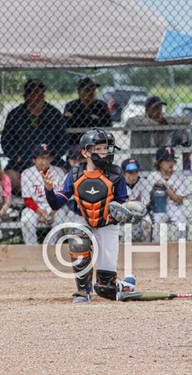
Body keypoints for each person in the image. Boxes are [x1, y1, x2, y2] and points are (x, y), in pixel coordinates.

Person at [43, 129, 137, 302]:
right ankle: (83, 291)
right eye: (99, 149)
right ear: (86, 152)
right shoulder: (76, 173)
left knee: (105, 290)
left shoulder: (115, 173)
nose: (105, 153)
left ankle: (124, 285)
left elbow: (122, 204)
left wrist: (126, 213)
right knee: (77, 237)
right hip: (85, 220)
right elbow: (56, 203)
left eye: (106, 149)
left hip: (108, 225)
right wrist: (49, 190)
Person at [0, 79, 69, 193]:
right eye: (34, 93)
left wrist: (53, 156)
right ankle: (28, 197)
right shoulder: (15, 114)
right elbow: (6, 141)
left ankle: (54, 197)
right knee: (9, 177)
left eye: (41, 93)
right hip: (23, 160)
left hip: (49, 159)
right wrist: (16, 156)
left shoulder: (54, 113)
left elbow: (63, 140)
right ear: (26, 96)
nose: (39, 96)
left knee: (66, 172)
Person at [19, 143, 75, 244]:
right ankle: (31, 247)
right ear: (34, 160)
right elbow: (27, 199)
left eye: (46, 158)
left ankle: (51, 247)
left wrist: (53, 211)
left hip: (55, 206)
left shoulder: (58, 172)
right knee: (26, 219)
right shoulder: (26, 174)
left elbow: (62, 196)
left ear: (50, 159)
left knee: (61, 218)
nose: (43, 161)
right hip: (35, 207)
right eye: (40, 158)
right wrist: (40, 211)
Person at [125, 95, 190, 169]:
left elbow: (187, 119)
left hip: (160, 168)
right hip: (142, 166)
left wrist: (165, 121)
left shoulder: (165, 121)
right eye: (155, 108)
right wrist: (156, 123)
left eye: (160, 107)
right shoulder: (140, 120)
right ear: (147, 110)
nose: (159, 110)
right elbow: (129, 121)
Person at [148, 146, 186, 242]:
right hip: (159, 207)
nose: (170, 163)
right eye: (166, 161)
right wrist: (154, 190)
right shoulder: (153, 176)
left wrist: (166, 189)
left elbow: (180, 200)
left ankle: (181, 249)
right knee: (159, 223)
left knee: (182, 222)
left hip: (174, 206)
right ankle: (157, 249)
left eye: (172, 160)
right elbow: (149, 202)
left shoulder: (179, 175)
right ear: (159, 163)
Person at [63, 77, 112, 145]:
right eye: (88, 90)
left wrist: (76, 117)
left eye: (94, 90)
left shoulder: (101, 105)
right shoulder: (71, 106)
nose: (91, 93)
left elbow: (108, 124)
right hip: (76, 143)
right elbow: (67, 123)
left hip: (97, 143)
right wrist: (93, 119)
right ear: (79, 92)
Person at [122, 158, 152, 242]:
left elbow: (146, 204)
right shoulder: (119, 184)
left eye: (136, 172)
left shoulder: (143, 182)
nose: (134, 175)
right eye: (130, 172)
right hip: (124, 214)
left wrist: (137, 216)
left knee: (147, 222)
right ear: (124, 174)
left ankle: (146, 246)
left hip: (141, 214)